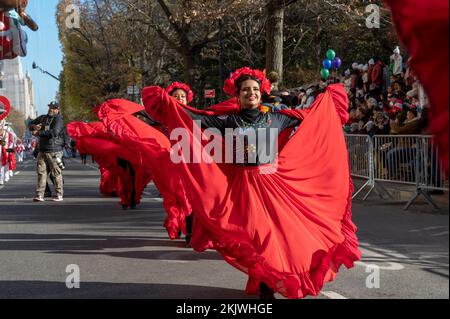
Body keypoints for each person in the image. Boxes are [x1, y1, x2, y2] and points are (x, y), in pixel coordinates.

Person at [142, 67, 361, 299]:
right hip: (244, 186)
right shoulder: (228, 120)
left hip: (272, 185)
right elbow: (193, 118)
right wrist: (170, 104)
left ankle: (267, 286)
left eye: (255, 89)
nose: (251, 93)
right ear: (238, 95)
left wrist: (326, 100)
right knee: (257, 238)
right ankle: (266, 283)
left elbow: (310, 116)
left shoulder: (276, 117)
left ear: (261, 93)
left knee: (274, 238)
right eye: (246, 90)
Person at [28, 101, 65, 202]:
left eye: (53, 108)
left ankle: (59, 194)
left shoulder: (58, 119)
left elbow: (54, 132)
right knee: (41, 173)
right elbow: (30, 123)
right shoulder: (43, 118)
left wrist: (38, 132)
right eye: (49, 107)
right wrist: (34, 127)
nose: (50, 109)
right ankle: (40, 194)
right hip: (42, 150)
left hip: (54, 150)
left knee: (56, 173)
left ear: (57, 109)